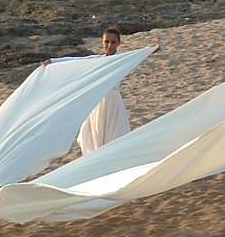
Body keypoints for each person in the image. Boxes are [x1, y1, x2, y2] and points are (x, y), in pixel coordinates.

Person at [44, 27, 158, 155]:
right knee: (95, 136)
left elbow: (136, 55)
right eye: (106, 42)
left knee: (115, 138)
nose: (109, 45)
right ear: (102, 42)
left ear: (118, 43)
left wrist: (150, 50)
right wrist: (53, 61)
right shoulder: (98, 59)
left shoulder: (121, 58)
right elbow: (77, 61)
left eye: (113, 42)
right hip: (97, 101)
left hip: (113, 102)